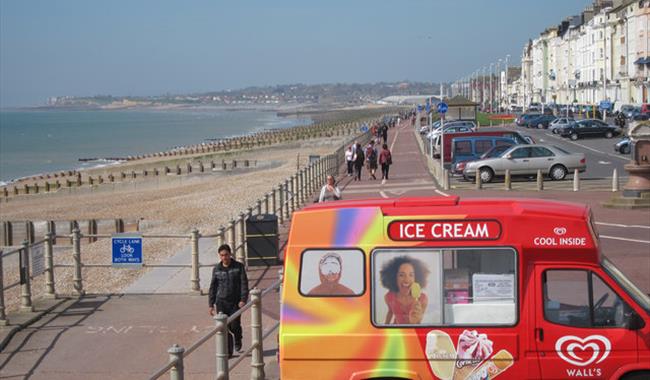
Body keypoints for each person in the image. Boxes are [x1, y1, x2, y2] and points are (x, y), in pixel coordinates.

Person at [208, 244, 249, 354]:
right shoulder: (216, 269)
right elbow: (213, 287)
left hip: (235, 302)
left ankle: (238, 338)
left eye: (226, 255)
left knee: (234, 325)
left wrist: (243, 299)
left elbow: (244, 284)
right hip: (221, 302)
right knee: (224, 327)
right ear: (219, 256)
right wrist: (211, 304)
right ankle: (228, 351)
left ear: (230, 254)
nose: (224, 257)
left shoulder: (238, 267)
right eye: (222, 255)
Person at [380, 256, 429, 324]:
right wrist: (384, 327)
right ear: (394, 277)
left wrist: (415, 320)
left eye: (411, 275)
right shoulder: (389, 297)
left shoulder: (422, 299)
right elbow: (390, 311)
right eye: (401, 275)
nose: (406, 280)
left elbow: (418, 323)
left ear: (416, 278)